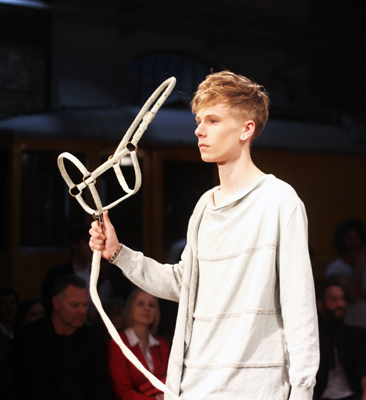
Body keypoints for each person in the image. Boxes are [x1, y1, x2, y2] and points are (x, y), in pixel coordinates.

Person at [90, 70, 319, 400]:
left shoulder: (280, 201)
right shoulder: (203, 207)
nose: (199, 130)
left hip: (255, 390)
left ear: (246, 129)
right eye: (199, 120)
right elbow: (182, 284)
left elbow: (300, 308)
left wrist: (302, 391)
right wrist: (117, 253)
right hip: (194, 387)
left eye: (212, 120)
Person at [13, 275, 111, 400]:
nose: (82, 311)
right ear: (56, 303)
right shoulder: (29, 337)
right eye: (75, 305)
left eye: (85, 305)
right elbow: (29, 386)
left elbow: (100, 387)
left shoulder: (94, 339)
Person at [325, 219, 366, 369]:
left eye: (356, 238)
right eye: (349, 238)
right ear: (342, 241)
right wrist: (358, 267)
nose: (353, 242)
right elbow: (352, 296)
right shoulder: (336, 269)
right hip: (347, 328)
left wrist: (356, 290)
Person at [315, 280, 366, 400]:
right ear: (320, 304)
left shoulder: (350, 334)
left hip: (349, 394)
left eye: (342, 299)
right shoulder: (312, 337)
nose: (340, 304)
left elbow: (364, 368)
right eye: (333, 299)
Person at [108, 289, 170, 400]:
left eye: (151, 305)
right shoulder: (118, 344)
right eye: (140, 304)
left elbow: (170, 380)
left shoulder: (162, 344)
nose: (147, 308)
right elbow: (123, 392)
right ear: (130, 308)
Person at [40, 225, 96, 315]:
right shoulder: (57, 273)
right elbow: (48, 303)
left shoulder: (97, 272)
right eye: (86, 242)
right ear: (74, 245)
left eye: (92, 241)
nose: (91, 246)